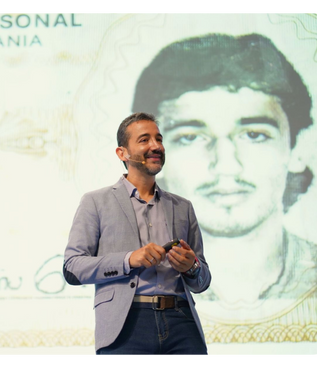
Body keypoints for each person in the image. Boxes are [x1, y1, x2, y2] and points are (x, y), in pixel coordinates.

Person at [130, 33, 317, 338]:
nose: (227, 165)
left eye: (254, 135)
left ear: (297, 149)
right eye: (190, 137)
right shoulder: (128, 279)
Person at [63, 112, 211, 357]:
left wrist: (191, 267)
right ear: (123, 153)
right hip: (126, 324)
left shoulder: (182, 207)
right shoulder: (95, 202)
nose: (156, 146)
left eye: (159, 139)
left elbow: (202, 281)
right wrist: (128, 260)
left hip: (182, 321)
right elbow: (72, 268)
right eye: (144, 140)